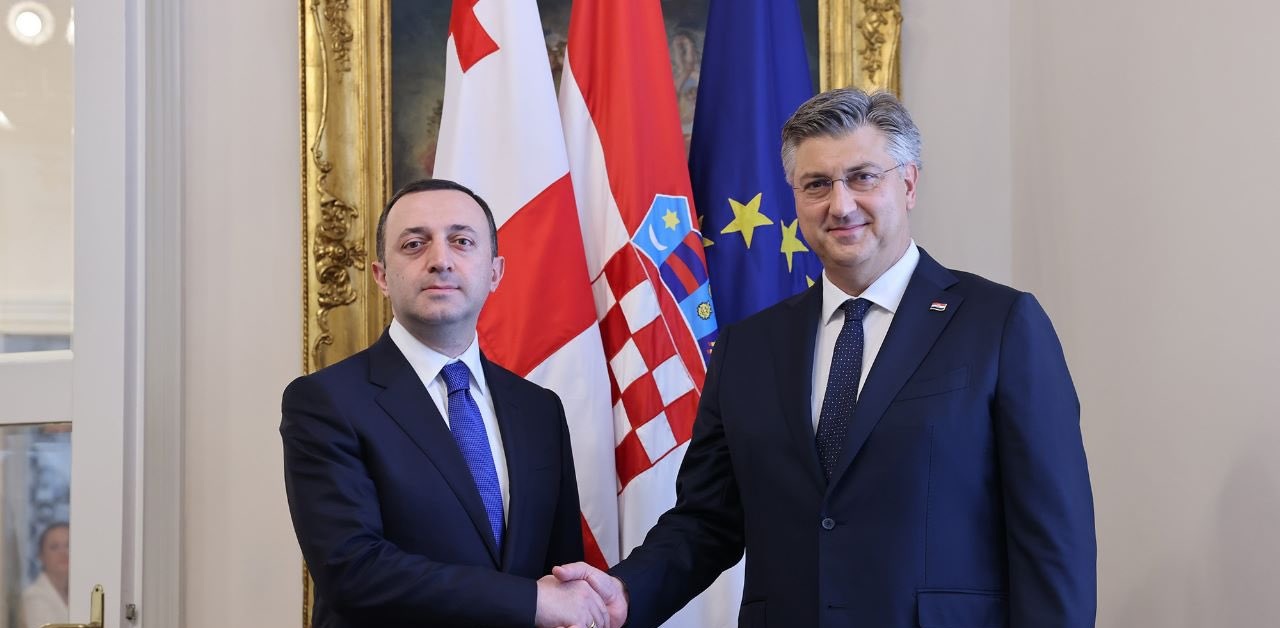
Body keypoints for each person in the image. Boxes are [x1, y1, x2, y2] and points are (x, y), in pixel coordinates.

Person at [554, 88, 1097, 627]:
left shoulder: (1000, 325)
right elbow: (707, 520)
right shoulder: (748, 348)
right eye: (816, 184)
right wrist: (625, 591)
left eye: (863, 177)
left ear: (908, 184)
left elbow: (1051, 539)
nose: (840, 205)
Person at [281, 179, 609, 628]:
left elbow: (561, 572)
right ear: (381, 276)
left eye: (462, 241)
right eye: (414, 244)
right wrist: (529, 601)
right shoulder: (325, 402)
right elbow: (352, 570)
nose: (440, 259)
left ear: (495, 273)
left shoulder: (540, 410)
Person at [22, 522, 69, 628]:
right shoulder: (34, 598)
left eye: (68, 545)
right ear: (41, 556)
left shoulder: (77, 593)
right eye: (54, 547)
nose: (63, 552)